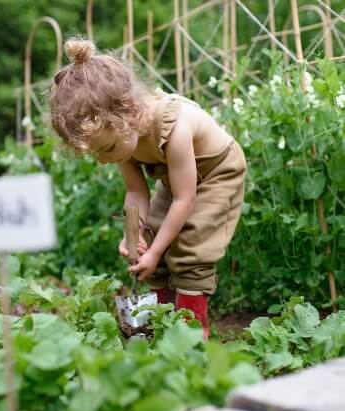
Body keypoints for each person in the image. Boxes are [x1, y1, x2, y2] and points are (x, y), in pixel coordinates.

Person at [49, 38, 247, 338]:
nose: (104, 161)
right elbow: (136, 193)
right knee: (155, 232)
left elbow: (185, 198)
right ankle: (158, 323)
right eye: (96, 154)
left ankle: (192, 331)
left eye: (108, 149)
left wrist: (154, 253)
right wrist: (137, 235)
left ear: (127, 112)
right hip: (176, 177)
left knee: (191, 245)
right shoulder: (121, 141)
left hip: (218, 172)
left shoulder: (174, 126)